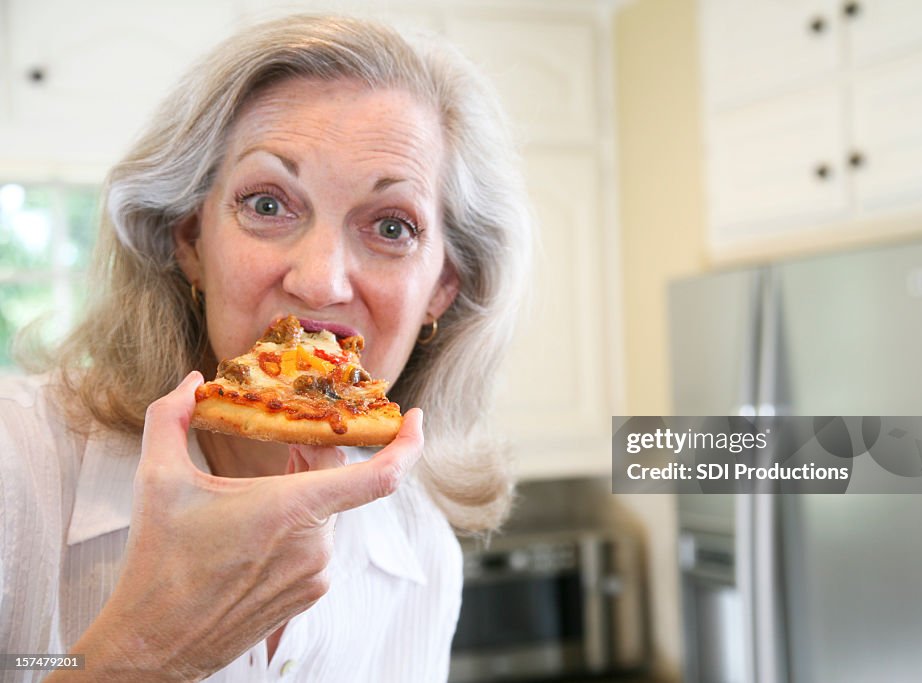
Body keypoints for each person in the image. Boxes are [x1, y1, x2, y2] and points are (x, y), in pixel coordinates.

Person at [0, 13, 530, 682]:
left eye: (391, 225)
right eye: (269, 204)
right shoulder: (15, 469)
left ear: (441, 290)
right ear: (190, 241)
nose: (320, 280)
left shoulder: (422, 553)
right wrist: (139, 654)